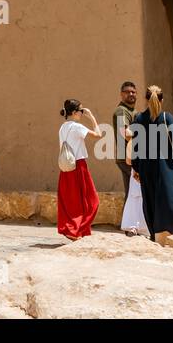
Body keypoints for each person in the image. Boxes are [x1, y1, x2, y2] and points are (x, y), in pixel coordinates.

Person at [128, 86, 173, 240]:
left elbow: (135, 147)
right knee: (170, 198)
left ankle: (155, 235)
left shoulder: (139, 119)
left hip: (146, 167)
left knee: (150, 200)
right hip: (165, 166)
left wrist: (136, 169)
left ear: (146, 99)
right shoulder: (167, 118)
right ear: (162, 100)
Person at [56, 99, 102, 240]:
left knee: (71, 201)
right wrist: (92, 117)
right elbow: (98, 135)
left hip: (66, 168)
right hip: (78, 166)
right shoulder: (77, 127)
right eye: (81, 111)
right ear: (75, 112)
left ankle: (73, 231)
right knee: (92, 200)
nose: (82, 113)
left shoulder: (63, 127)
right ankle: (77, 230)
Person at [111, 81, 138, 192]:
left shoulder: (132, 111)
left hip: (130, 157)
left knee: (132, 193)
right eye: (127, 92)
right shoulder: (121, 111)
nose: (131, 94)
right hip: (127, 159)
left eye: (133, 92)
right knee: (138, 192)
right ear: (121, 94)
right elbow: (126, 133)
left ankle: (128, 210)